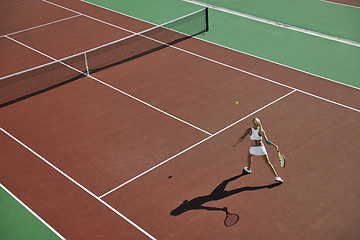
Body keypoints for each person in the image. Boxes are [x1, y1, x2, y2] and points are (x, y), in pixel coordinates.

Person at [233, 118, 283, 183]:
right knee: (268, 163)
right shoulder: (261, 131)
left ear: (253, 123)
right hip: (261, 149)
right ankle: (277, 176)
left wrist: (236, 144)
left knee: (249, 155)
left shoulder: (249, 130)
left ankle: (248, 169)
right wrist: (274, 146)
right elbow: (266, 141)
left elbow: (242, 137)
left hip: (253, 149)